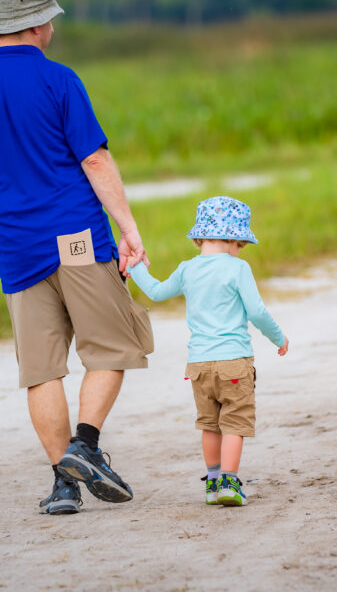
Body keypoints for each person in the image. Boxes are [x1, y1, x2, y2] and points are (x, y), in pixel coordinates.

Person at [0, 0, 154, 516]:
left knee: (42, 368)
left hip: (16, 248)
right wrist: (128, 228)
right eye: (50, 18)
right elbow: (94, 160)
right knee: (112, 345)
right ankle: (86, 446)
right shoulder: (60, 80)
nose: (52, 27)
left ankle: (63, 486)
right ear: (35, 24)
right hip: (77, 237)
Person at [127, 196, 288, 507]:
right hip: (234, 363)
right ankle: (229, 482)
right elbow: (255, 311)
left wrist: (135, 267)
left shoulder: (187, 269)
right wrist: (278, 337)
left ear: (200, 235)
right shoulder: (238, 268)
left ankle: (213, 482)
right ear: (234, 239)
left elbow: (157, 291)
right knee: (235, 423)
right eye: (241, 244)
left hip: (198, 366)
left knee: (209, 423)